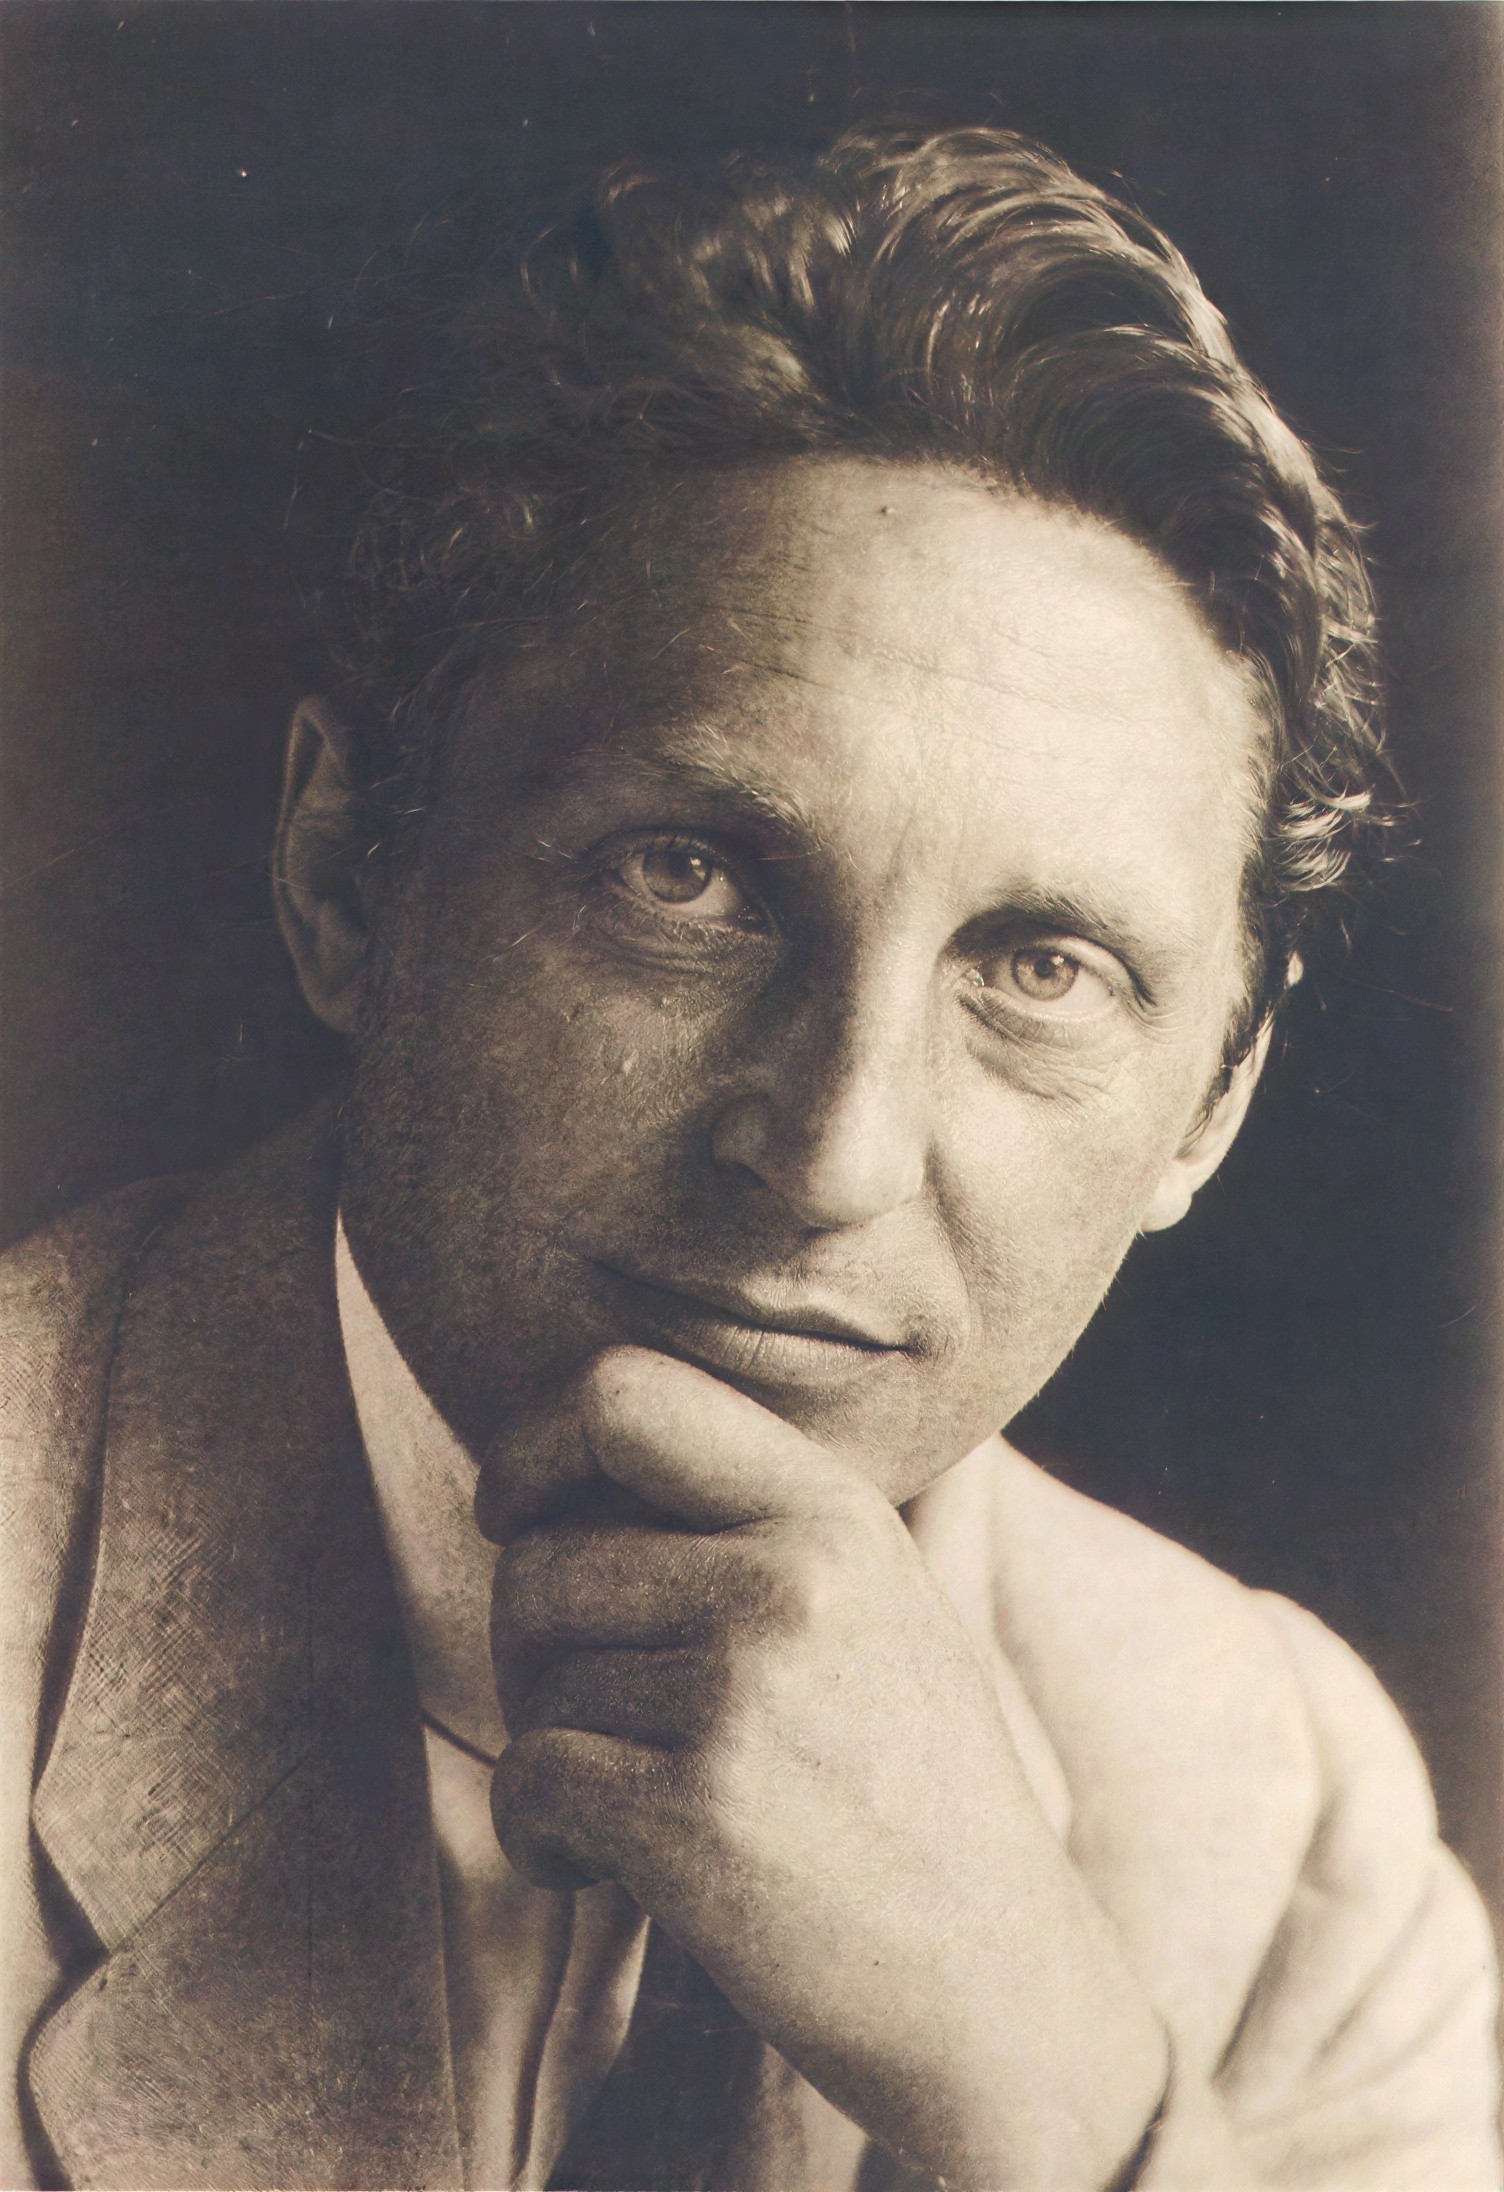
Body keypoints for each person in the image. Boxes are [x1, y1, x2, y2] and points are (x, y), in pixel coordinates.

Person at [0, 125, 1497, 2192]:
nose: (828, 1152)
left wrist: (1044, 2086)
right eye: (688, 878)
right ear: (346, 874)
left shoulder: (1285, 1821)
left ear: (1212, 1102)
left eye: (1036, 968)